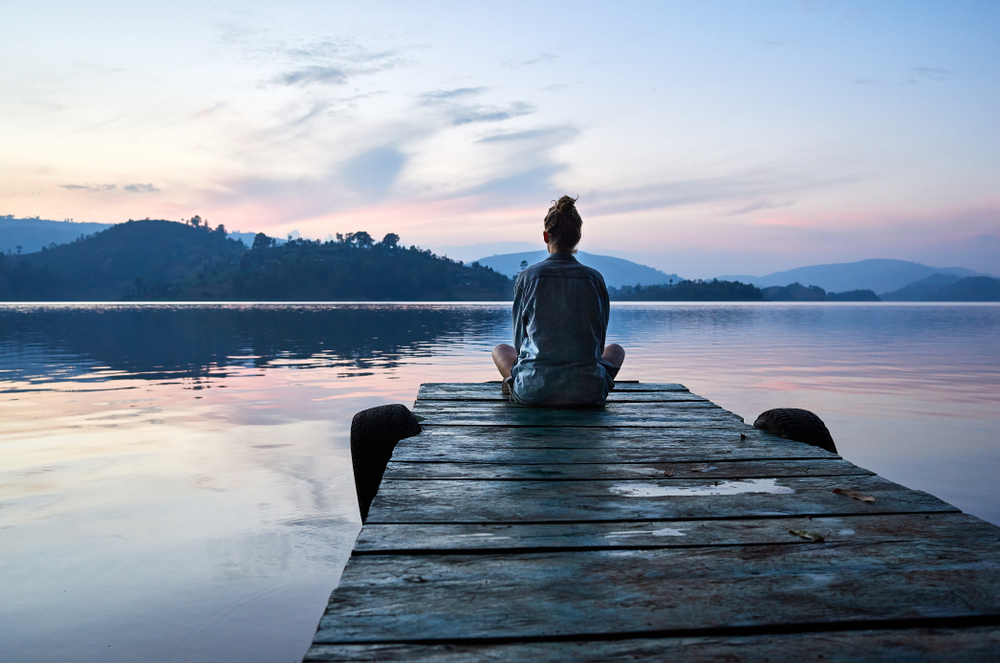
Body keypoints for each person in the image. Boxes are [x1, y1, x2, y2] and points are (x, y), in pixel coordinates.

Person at [492, 196, 625, 406]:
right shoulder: (594, 278)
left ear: (546, 236)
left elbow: (519, 342)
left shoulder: (528, 277)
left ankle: (517, 383)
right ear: (578, 238)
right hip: (587, 393)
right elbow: (598, 345)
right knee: (616, 349)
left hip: (533, 392)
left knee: (500, 350)